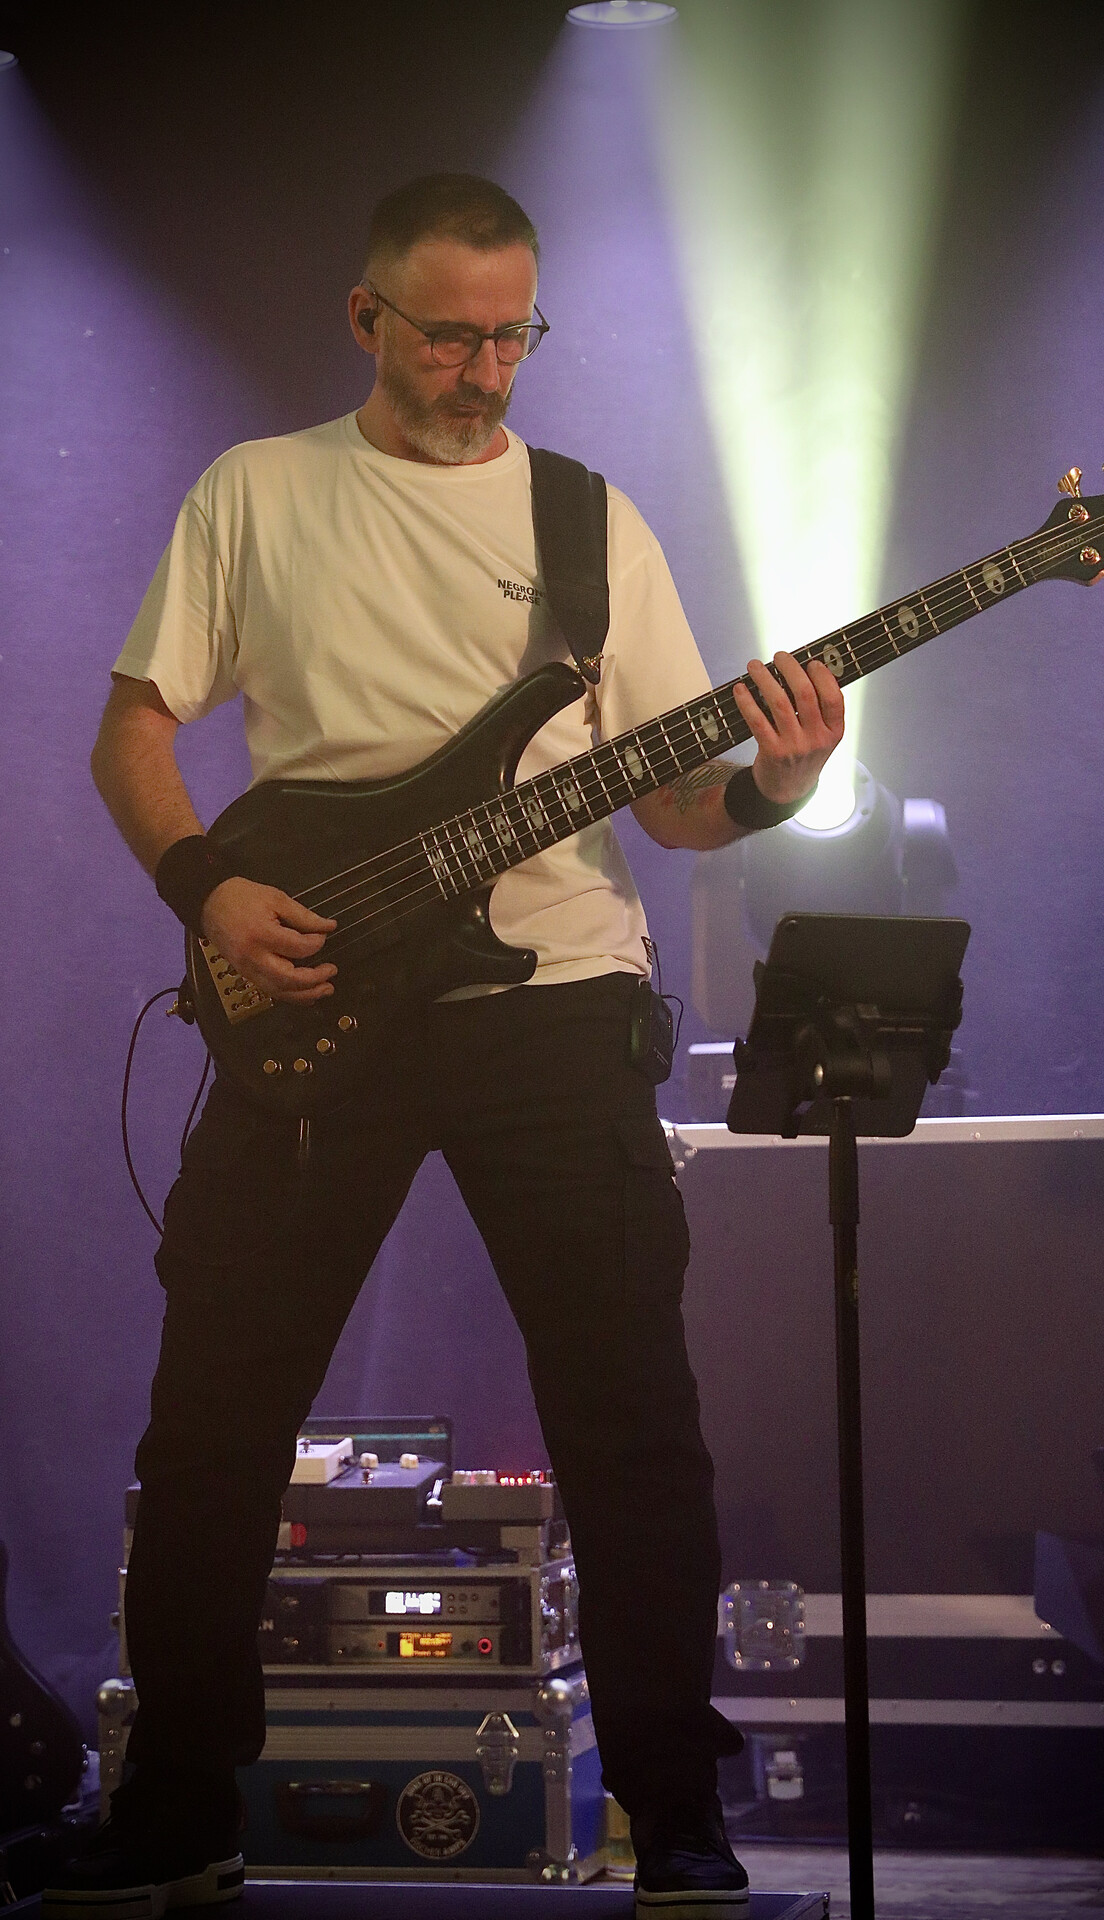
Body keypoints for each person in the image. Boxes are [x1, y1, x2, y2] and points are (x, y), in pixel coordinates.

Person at [46, 175, 844, 1920]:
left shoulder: (588, 521)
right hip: (317, 993)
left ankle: (675, 1813)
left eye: (510, 337)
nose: (482, 372)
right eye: (448, 337)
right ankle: (176, 1806)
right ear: (367, 317)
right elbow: (133, 729)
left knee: (633, 1422)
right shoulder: (257, 491)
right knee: (213, 1420)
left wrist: (776, 784)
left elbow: (678, 805)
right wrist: (206, 892)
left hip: (551, 1001)